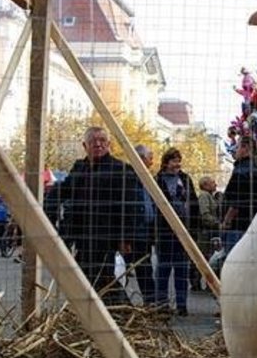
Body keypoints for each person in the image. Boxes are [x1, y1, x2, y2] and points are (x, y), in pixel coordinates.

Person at [44, 126, 142, 303]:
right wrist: (47, 214)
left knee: (101, 276)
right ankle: (104, 313)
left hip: (106, 235)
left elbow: (131, 207)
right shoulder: (79, 168)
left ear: (109, 144)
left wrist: (125, 237)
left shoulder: (120, 169)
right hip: (81, 233)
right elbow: (63, 189)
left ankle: (119, 312)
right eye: (93, 141)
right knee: (86, 276)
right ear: (85, 145)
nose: (98, 144)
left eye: (102, 140)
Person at [153, 148, 199, 316]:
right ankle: (162, 304)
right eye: (174, 160)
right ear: (166, 162)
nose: (177, 164)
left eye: (179, 160)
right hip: (164, 232)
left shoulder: (185, 179)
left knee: (182, 270)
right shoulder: (157, 180)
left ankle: (181, 305)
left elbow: (194, 204)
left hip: (184, 233)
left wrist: (193, 229)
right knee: (163, 270)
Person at [220, 135, 257, 251]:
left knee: (233, 261)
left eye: (237, 147)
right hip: (255, 225)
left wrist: (226, 221)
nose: (235, 151)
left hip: (238, 227)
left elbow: (236, 202)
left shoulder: (241, 171)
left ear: (245, 148)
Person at [132, 144, 157, 304]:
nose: (152, 162)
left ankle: (151, 301)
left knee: (144, 266)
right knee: (142, 267)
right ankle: (151, 301)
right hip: (135, 231)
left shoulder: (149, 179)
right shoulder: (130, 178)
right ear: (140, 159)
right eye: (150, 158)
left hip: (147, 231)